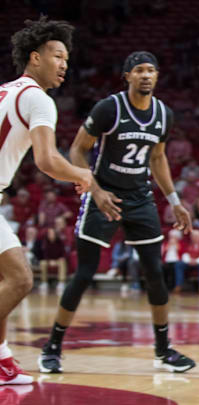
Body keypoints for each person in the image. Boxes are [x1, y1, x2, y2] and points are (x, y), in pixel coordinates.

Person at [38, 51, 194, 375]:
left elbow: (159, 158)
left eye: (152, 70)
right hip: (103, 194)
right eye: (139, 70)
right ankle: (52, 346)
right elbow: (78, 149)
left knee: (155, 273)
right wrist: (94, 189)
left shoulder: (163, 114)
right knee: (84, 274)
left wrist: (175, 200)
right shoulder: (109, 107)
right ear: (127, 76)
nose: (147, 75)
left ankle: (163, 351)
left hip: (140, 197)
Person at [0, 17, 93, 385]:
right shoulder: (37, 98)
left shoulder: (6, 90)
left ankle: (3, 359)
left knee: (11, 277)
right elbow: (47, 160)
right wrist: (83, 174)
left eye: (67, 59)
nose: (64, 65)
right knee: (20, 279)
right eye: (57, 56)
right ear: (34, 57)